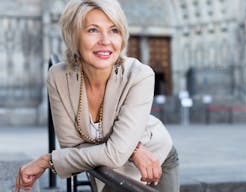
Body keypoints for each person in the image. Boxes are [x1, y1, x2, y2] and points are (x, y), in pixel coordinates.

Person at [15, 0, 179, 191]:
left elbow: (108, 153)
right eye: (93, 30)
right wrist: (129, 151)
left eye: (114, 30)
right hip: (106, 165)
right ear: (74, 36)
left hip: (154, 157)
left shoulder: (140, 75)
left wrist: (48, 160)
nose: (105, 40)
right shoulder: (59, 76)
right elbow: (72, 148)